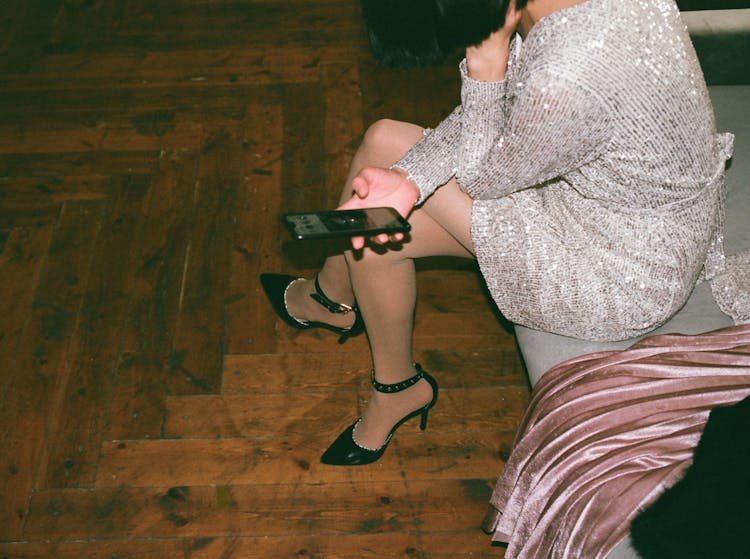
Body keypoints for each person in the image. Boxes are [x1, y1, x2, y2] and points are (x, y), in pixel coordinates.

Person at [261, 0, 732, 467]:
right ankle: (352, 326)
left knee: (384, 189)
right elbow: (508, 125)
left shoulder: (570, 74)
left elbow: (484, 176)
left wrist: (486, 66)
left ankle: (358, 337)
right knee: (384, 151)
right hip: (600, 204)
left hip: (615, 272)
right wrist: (408, 180)